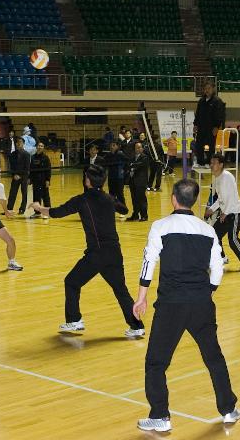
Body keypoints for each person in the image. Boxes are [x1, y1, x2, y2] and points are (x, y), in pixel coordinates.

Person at [133, 177, 239, 434]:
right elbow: (217, 268)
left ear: (173, 198)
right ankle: (228, 409)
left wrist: (141, 296)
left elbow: (149, 262)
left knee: (156, 362)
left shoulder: (161, 226)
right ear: (194, 200)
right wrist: (207, 291)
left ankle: (160, 415)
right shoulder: (208, 230)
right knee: (213, 357)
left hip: (171, 305)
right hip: (202, 303)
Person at [32, 165, 144, 339]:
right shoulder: (108, 198)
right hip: (114, 252)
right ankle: (136, 326)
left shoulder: (82, 199)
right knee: (120, 289)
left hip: (96, 254)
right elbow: (124, 210)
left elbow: (56, 212)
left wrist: (39, 207)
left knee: (71, 282)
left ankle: (74, 320)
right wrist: (112, 200)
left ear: (87, 181)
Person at [205, 155, 240, 272]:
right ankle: (222, 258)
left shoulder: (227, 177)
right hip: (226, 213)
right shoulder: (217, 178)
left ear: (221, 164)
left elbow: (232, 197)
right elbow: (221, 199)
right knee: (215, 235)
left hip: (234, 212)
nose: (211, 165)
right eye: (211, 163)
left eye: (214, 163)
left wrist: (225, 213)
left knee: (233, 239)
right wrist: (211, 209)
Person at [194, 79, 226, 165]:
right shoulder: (201, 101)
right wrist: (195, 125)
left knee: (210, 146)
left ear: (213, 89)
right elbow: (197, 114)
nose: (207, 90)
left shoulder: (217, 101)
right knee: (198, 146)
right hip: (201, 128)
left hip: (211, 129)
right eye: (205, 88)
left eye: (209, 88)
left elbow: (220, 115)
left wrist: (216, 126)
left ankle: (209, 162)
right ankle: (200, 162)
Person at [6, 135, 32, 215]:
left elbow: (27, 167)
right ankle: (9, 209)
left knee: (24, 193)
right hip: (15, 177)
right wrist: (14, 174)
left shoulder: (27, 154)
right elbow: (11, 166)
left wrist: (20, 175)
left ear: (23, 144)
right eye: (17, 142)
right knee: (12, 193)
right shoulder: (12, 154)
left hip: (24, 177)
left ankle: (22, 209)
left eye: (20, 142)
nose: (18, 144)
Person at [127, 141, 151, 221]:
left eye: (140, 147)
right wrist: (131, 165)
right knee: (134, 199)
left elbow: (139, 164)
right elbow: (128, 165)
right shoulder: (132, 157)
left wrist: (132, 165)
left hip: (141, 182)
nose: (139, 149)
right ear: (134, 149)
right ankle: (135, 215)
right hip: (132, 181)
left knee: (141, 199)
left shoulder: (145, 157)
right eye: (137, 147)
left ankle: (144, 215)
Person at [29, 145, 53, 214]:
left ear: (43, 148)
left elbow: (48, 170)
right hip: (35, 181)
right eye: (39, 146)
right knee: (36, 197)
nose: (40, 147)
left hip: (43, 180)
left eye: (42, 146)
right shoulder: (33, 157)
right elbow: (31, 169)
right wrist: (30, 179)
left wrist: (48, 180)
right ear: (36, 147)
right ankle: (37, 212)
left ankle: (47, 212)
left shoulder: (46, 158)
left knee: (45, 197)